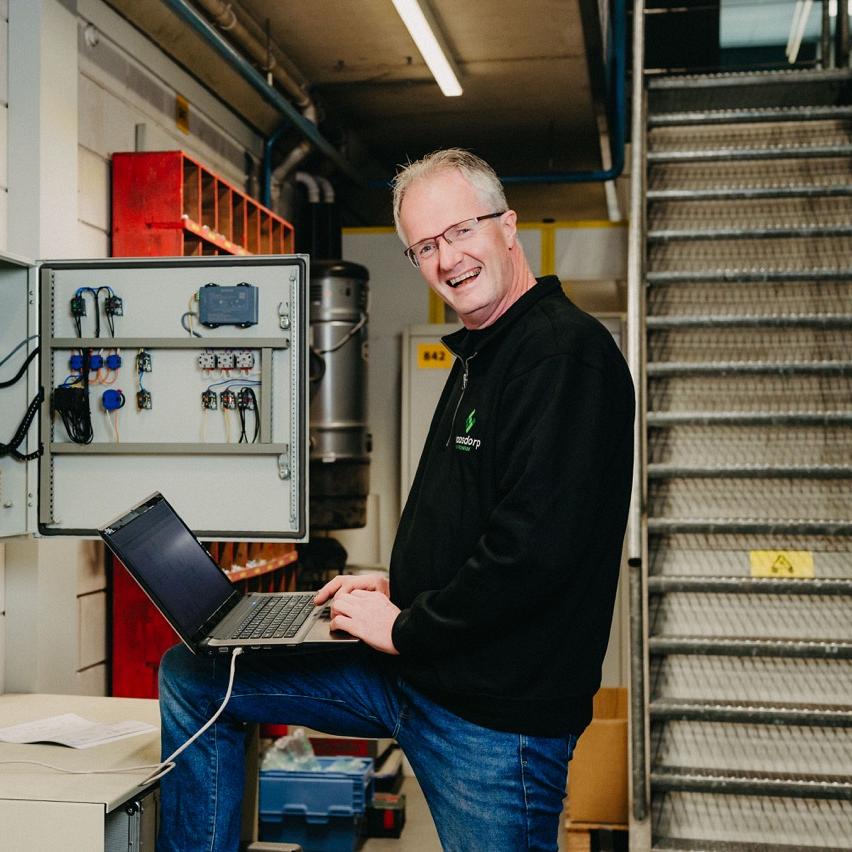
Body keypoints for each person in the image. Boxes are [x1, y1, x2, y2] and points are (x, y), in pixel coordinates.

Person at [156, 148, 634, 852]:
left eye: (460, 233)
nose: (447, 260)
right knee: (199, 674)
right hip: (422, 672)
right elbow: (482, 521)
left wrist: (404, 627)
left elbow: (533, 555)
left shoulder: (562, 356)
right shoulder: (483, 350)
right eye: (425, 248)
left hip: (494, 718)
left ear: (507, 225)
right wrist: (400, 586)